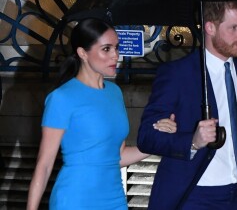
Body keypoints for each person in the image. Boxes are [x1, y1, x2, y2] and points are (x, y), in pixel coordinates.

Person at [137, 1, 237, 210]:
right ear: (210, 27)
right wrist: (192, 142)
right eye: (233, 28)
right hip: (193, 195)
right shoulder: (177, 74)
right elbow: (146, 137)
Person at [26, 18, 176, 210]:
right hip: (75, 200)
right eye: (106, 49)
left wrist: (157, 141)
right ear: (82, 53)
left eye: (116, 47)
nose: (115, 55)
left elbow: (118, 156)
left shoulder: (114, 93)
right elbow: (44, 165)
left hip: (114, 199)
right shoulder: (62, 98)